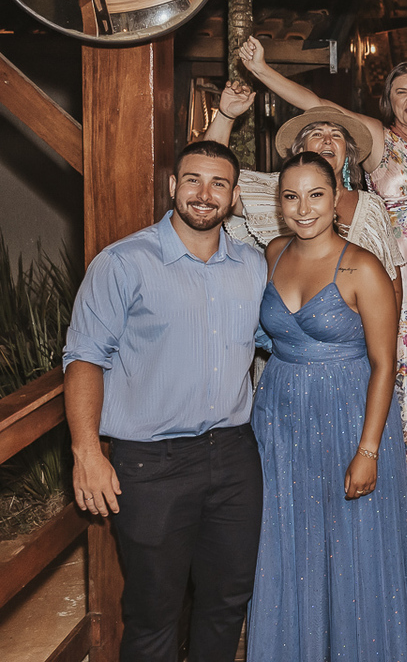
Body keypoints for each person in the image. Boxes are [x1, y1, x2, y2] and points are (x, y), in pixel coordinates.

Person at [64, 141, 267, 662]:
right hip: (151, 463)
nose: (204, 194)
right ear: (173, 186)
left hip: (233, 456)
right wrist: (87, 452)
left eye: (219, 183)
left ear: (234, 196)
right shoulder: (123, 262)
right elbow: (84, 358)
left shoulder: (253, 265)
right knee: (154, 612)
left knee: (227, 602)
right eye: (193, 180)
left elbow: (280, 336)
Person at [238, 39, 407, 476]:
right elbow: (319, 107)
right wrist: (262, 71)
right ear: (387, 101)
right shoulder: (379, 138)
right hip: (387, 275)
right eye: (401, 91)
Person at [247, 153, 407, 659]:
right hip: (279, 415)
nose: (303, 208)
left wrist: (368, 451)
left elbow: (385, 365)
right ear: (279, 203)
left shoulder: (363, 266)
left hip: (349, 415)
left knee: (353, 544)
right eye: (291, 196)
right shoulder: (273, 253)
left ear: (336, 198)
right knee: (285, 539)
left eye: (316, 195)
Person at [205, 86, 402, 290]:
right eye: (317, 134)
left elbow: (393, 280)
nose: (327, 140)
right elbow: (210, 176)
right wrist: (225, 117)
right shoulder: (274, 191)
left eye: (336, 135)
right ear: (300, 150)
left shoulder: (371, 206)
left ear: (347, 153)